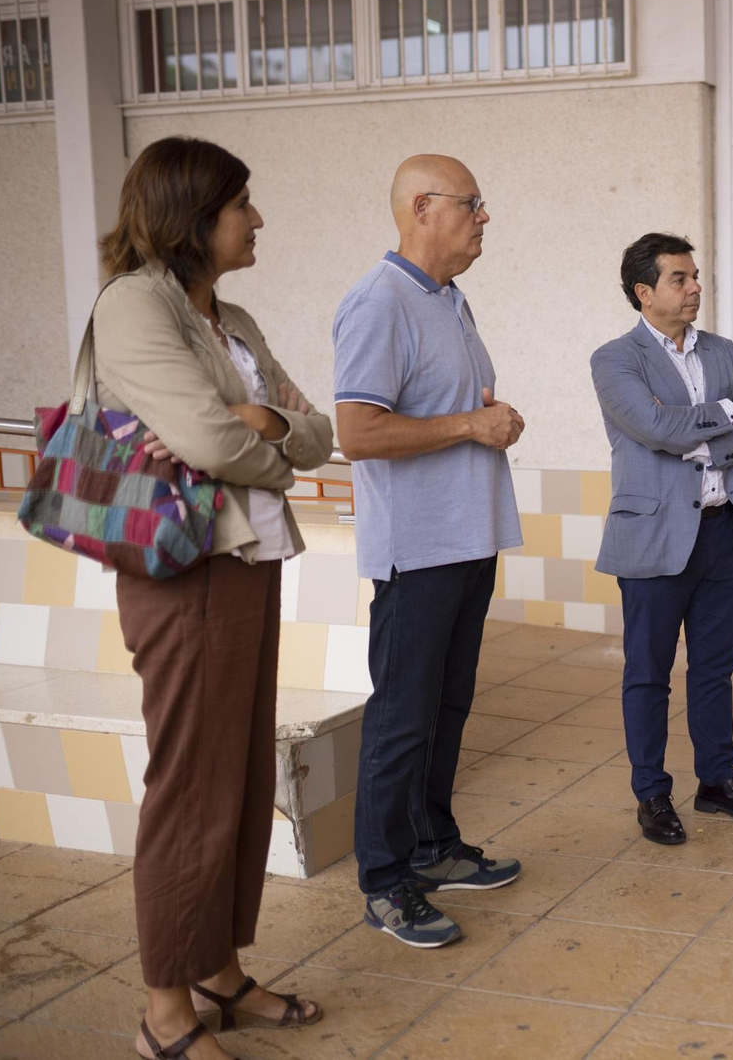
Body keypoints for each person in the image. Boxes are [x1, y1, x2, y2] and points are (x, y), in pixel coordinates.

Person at [93, 136, 331, 1060]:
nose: (258, 218)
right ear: (195, 216)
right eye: (243, 204)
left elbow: (313, 427)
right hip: (183, 567)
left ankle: (217, 967)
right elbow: (207, 439)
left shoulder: (230, 318)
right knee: (190, 784)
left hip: (248, 561)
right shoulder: (132, 305)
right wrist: (257, 441)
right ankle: (164, 1011)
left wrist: (261, 424)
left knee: (239, 775)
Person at [334, 155, 526, 949]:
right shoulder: (378, 303)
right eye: (472, 204)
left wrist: (487, 414)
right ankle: (385, 880)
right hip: (417, 553)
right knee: (403, 719)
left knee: (448, 708)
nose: (485, 217)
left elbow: (449, 405)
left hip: (468, 539)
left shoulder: (448, 297)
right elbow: (358, 432)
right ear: (422, 207)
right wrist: (469, 425)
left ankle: (433, 847)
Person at [590, 232, 733, 845]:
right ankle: (652, 793)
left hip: (720, 528)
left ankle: (717, 781)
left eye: (695, 276)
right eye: (680, 278)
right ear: (645, 293)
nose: (695, 286)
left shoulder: (721, 351)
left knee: (715, 667)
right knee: (648, 671)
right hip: (652, 537)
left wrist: (705, 429)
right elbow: (652, 427)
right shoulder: (616, 360)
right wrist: (723, 417)